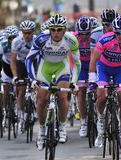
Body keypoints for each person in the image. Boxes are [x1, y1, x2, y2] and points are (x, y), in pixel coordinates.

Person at [25, 14, 81, 151]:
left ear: (64, 29)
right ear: (49, 29)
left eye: (59, 29)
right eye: (53, 29)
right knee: (42, 100)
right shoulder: (41, 39)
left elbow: (77, 63)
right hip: (45, 69)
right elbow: (29, 59)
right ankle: (42, 130)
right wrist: (33, 79)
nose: (56, 33)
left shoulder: (71, 40)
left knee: (62, 96)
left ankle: (62, 126)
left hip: (62, 67)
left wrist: (73, 82)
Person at [89, 15, 121, 148]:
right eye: (118, 32)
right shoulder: (104, 40)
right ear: (113, 31)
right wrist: (92, 79)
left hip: (120, 70)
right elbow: (94, 60)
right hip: (104, 68)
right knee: (101, 96)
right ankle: (100, 121)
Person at [10, 20, 36, 132]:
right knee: (21, 89)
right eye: (25, 33)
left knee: (38, 86)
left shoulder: (37, 40)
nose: (27, 35)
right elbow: (12, 61)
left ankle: (35, 107)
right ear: (22, 32)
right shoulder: (16, 41)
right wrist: (15, 76)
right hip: (21, 64)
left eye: (29, 33)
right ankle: (20, 112)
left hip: (34, 63)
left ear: (33, 32)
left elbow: (41, 59)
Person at [73, 16, 92, 137]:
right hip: (80, 66)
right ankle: (84, 122)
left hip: (93, 64)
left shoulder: (95, 36)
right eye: (82, 34)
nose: (84, 36)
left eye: (87, 33)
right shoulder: (74, 38)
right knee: (81, 91)